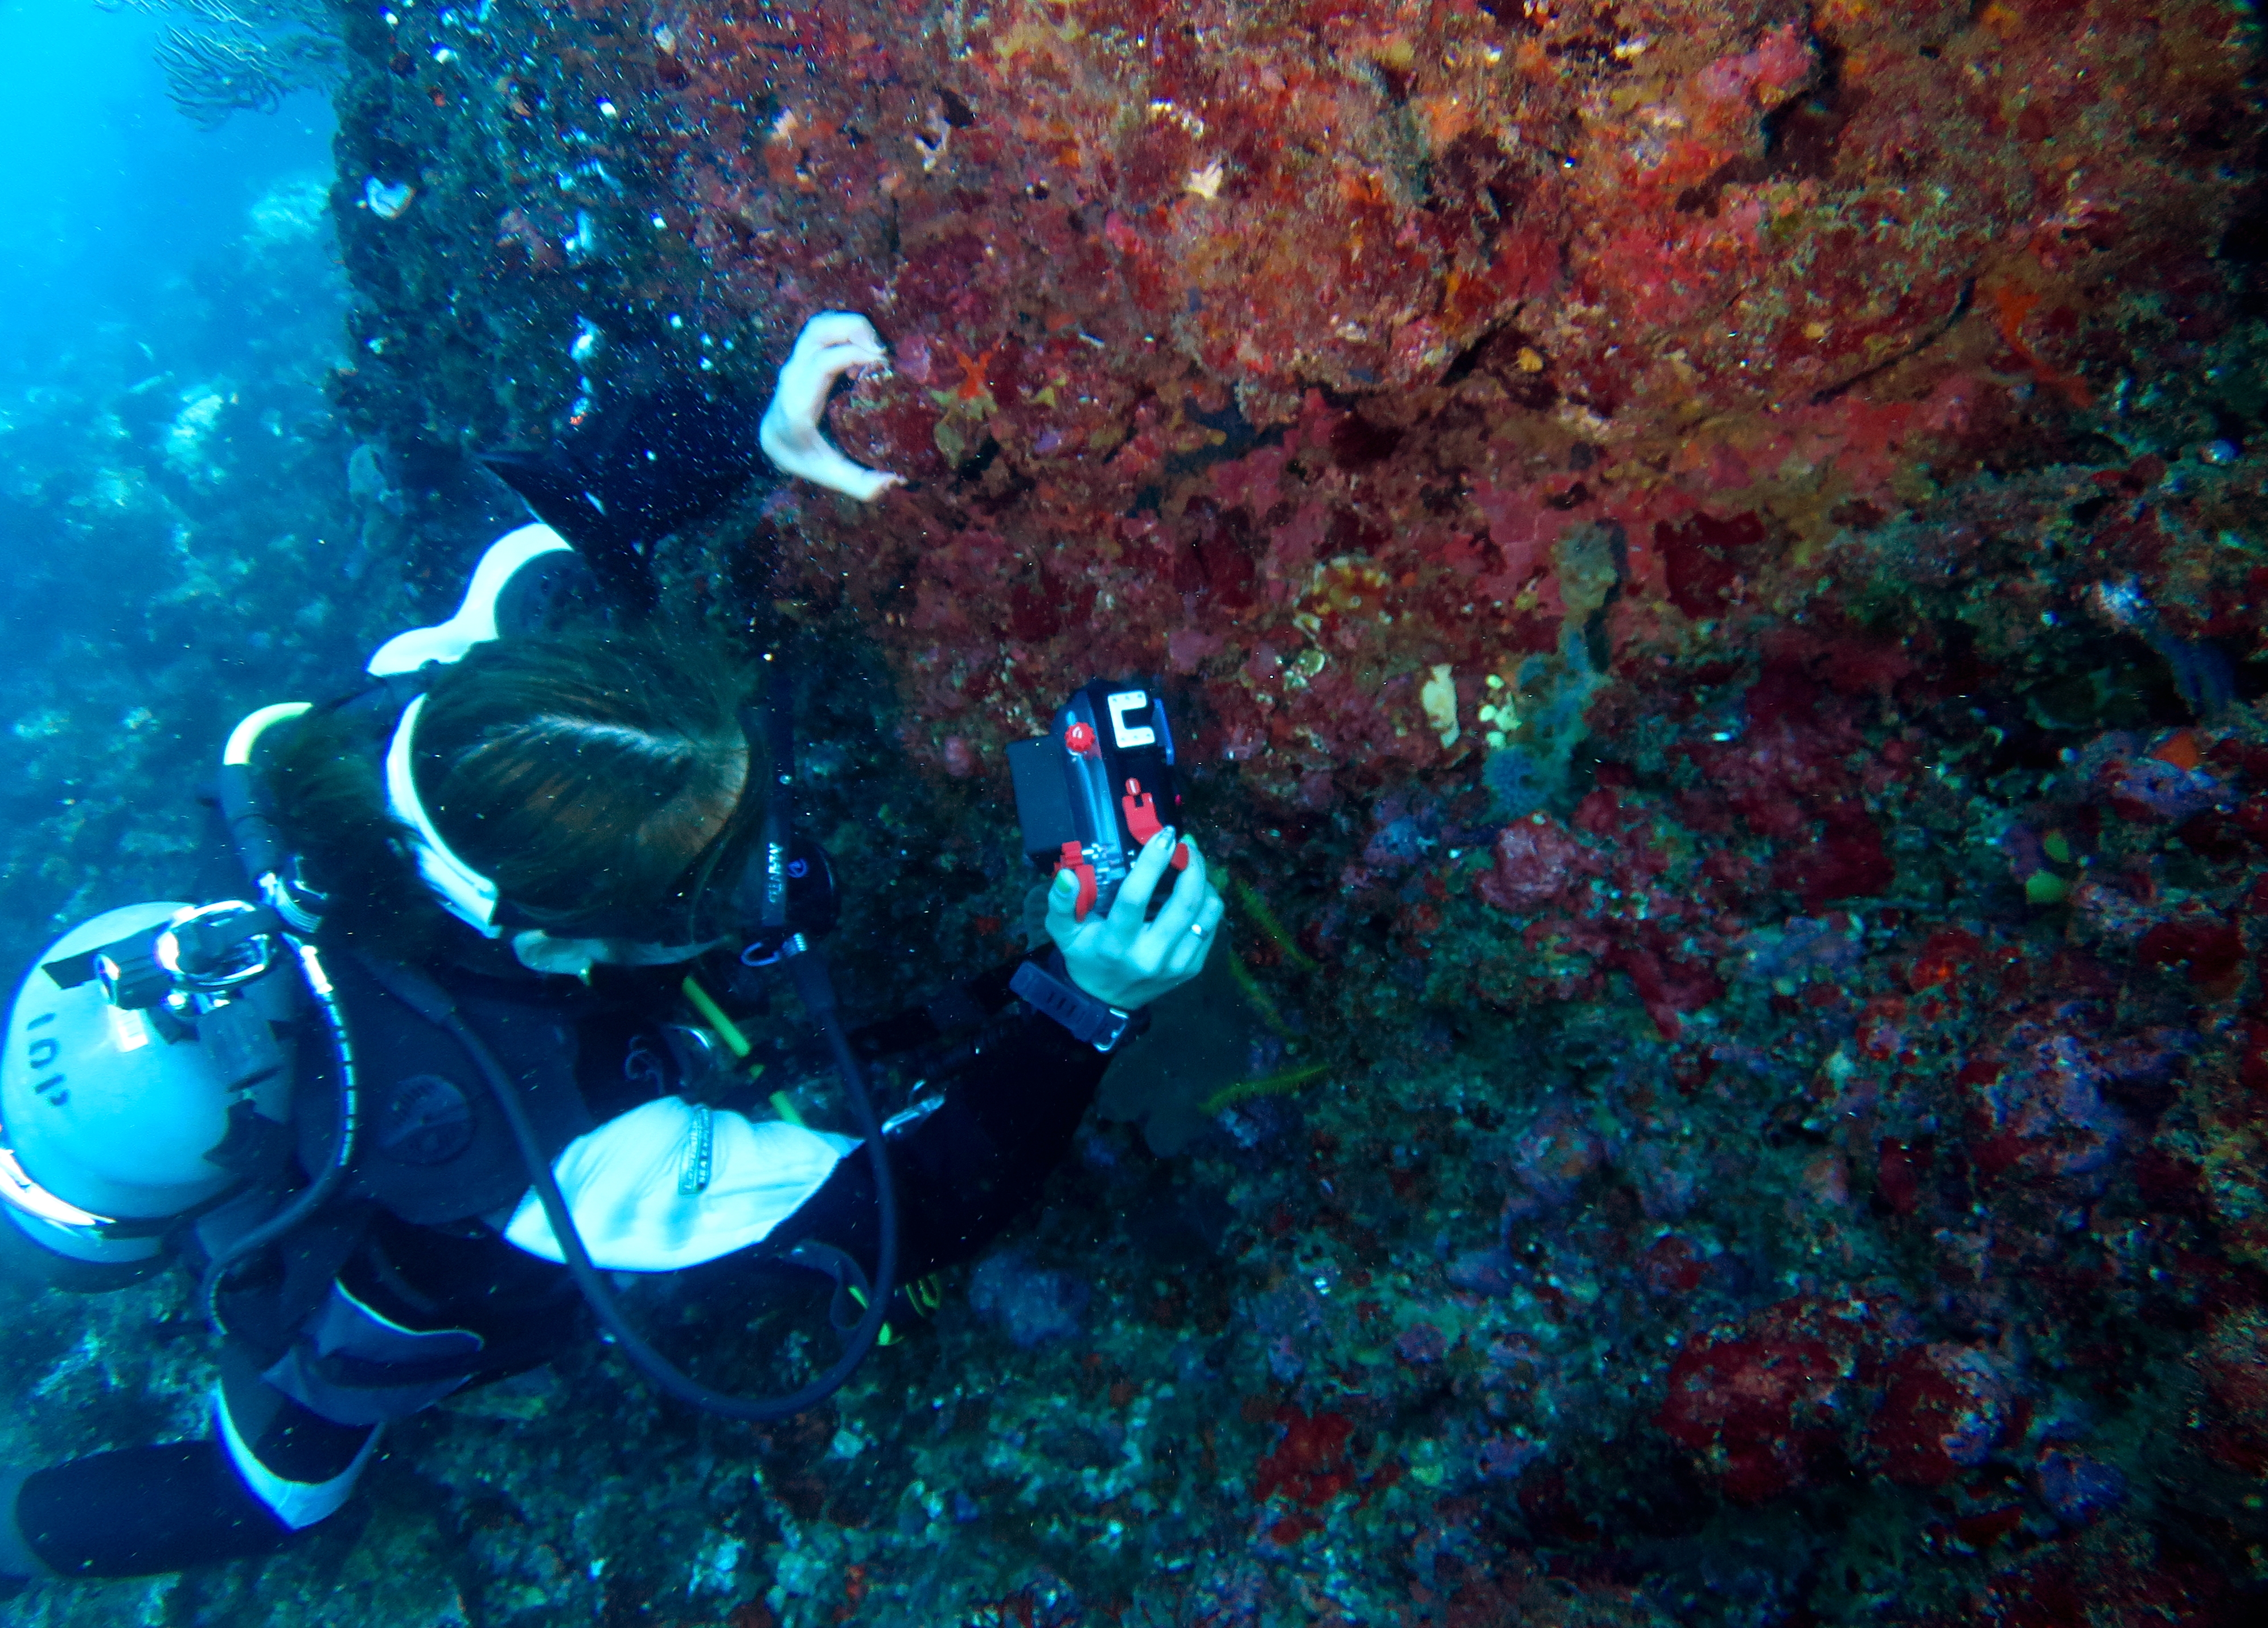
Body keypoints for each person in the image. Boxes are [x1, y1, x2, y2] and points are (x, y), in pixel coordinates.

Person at [0, 313, 1224, 1581]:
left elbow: (572, 515)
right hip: (410, 1235)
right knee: (275, 1505)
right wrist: (1091, 1002)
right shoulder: (571, 1167)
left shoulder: (427, 715)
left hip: (357, 988)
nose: (760, 871)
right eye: (703, 882)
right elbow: (916, 1209)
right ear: (549, 940)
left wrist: (763, 428)